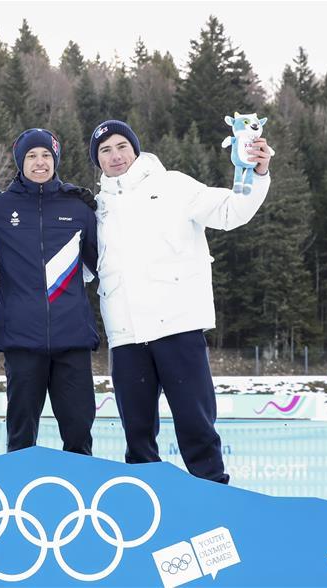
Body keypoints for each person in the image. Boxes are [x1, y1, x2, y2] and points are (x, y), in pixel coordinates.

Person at [88, 119, 273, 483]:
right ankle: (148, 506)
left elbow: (231, 211)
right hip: (126, 336)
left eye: (121, 146)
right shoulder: (97, 208)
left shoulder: (174, 185)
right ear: (98, 161)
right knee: (138, 437)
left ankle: (213, 497)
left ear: (135, 149)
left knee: (196, 426)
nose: (115, 156)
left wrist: (258, 172)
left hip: (177, 326)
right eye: (105, 150)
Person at [0, 128, 99, 455]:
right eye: (31, 155)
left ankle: (82, 499)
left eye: (46, 155)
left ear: (56, 159)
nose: (40, 162)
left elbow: (104, 264)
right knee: (20, 438)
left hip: (72, 338)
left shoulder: (79, 206)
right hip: (21, 339)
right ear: (20, 161)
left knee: (78, 435)